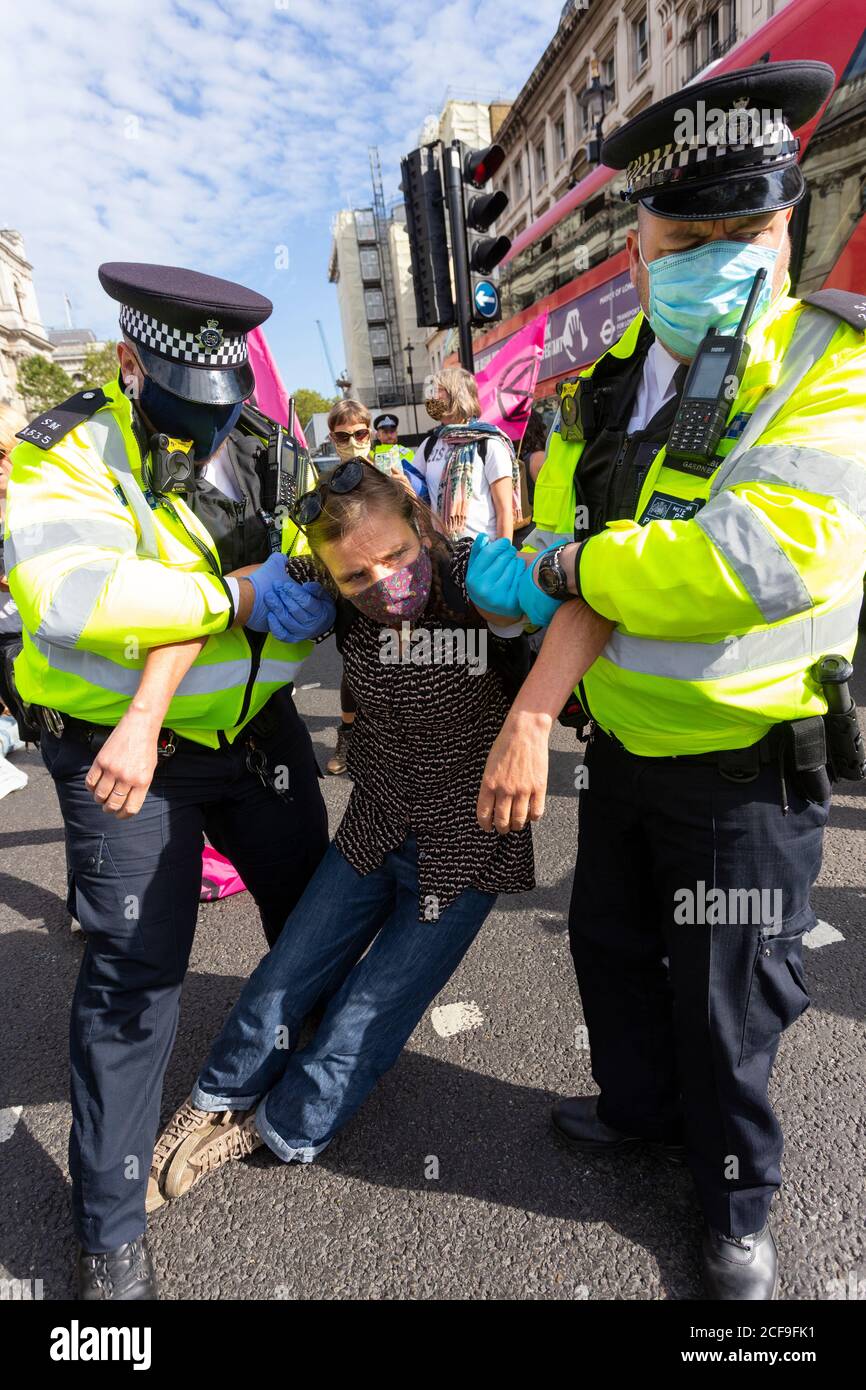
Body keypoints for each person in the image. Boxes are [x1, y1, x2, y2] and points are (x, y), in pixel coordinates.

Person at [467, 60, 866, 1300]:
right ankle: (636, 1113)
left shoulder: (827, 363)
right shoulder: (596, 384)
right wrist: (521, 569)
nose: (711, 257)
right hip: (625, 753)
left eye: (739, 231)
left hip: (749, 777)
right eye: (682, 235)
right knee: (609, 946)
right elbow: (542, 540)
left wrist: (573, 562)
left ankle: (736, 1199)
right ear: (636, 244)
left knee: (727, 1001)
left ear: (784, 226)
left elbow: (759, 557)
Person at [145, 466, 605, 1218]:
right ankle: (218, 1095)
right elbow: (209, 603)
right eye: (356, 572)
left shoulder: (470, 578)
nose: (383, 580)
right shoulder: (330, 591)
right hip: (378, 815)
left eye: (394, 555)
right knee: (290, 965)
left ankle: (282, 1127)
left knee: (370, 1008)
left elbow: (585, 592)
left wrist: (530, 690)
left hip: (468, 835)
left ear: (419, 526)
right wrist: (144, 718)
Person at [4, 262, 332, 1300]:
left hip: (254, 731)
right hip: (124, 752)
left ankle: (309, 1070)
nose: (208, 426)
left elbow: (312, 548)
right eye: (187, 405)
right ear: (128, 361)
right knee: (134, 978)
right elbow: (71, 595)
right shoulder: (63, 451)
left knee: (311, 907)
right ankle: (107, 1232)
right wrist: (233, 595)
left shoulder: (265, 443)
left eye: (223, 404)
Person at [415, 366, 517, 542]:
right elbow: (414, 494)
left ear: (457, 395)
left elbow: (505, 511)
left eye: (439, 390)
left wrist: (501, 557)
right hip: (444, 554)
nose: (432, 397)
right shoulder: (429, 445)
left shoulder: (488, 444)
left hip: (482, 553)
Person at [371, 411, 429, 500]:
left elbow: (417, 478)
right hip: (381, 498)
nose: (389, 435)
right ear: (378, 435)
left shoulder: (407, 452)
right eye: (385, 432)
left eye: (392, 431)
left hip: (406, 497)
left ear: (397, 432)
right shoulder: (371, 454)